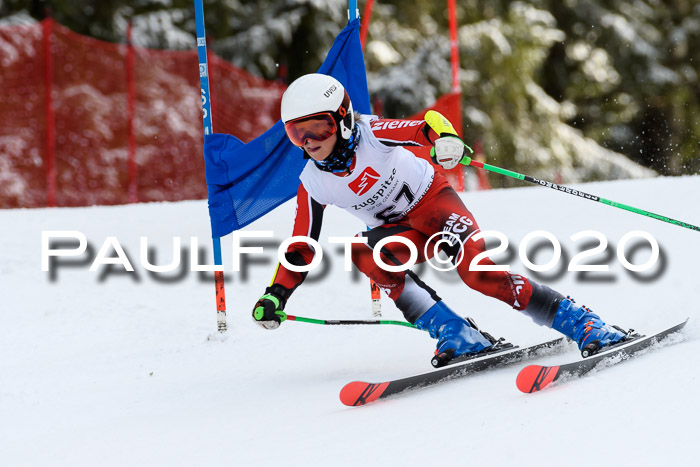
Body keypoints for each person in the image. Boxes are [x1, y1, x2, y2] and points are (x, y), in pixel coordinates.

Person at [252, 73, 627, 364]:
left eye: (319, 127)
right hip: (401, 233)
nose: (309, 140)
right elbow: (301, 247)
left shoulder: (370, 134)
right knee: (362, 253)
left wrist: (444, 138)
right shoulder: (313, 182)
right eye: (296, 132)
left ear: (343, 120)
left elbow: (424, 126)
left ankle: (582, 322)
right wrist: (276, 294)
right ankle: (456, 333)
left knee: (478, 274)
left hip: (436, 209)